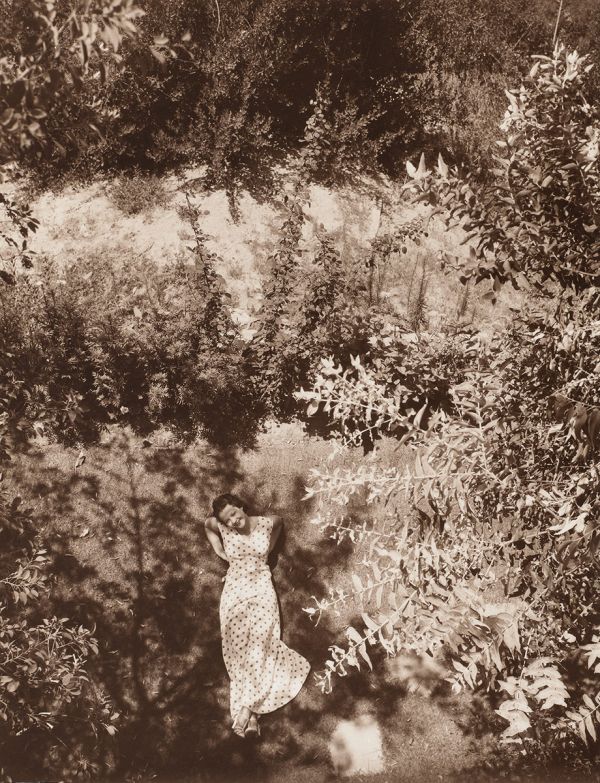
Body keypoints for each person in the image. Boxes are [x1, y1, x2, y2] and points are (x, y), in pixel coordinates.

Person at [204, 493, 310, 738]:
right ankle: (252, 717)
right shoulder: (221, 526)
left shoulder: (265, 522)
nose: (232, 521)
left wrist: (270, 548)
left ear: (241, 507)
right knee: (237, 647)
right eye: (226, 520)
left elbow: (280, 521)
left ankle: (246, 711)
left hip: (261, 585)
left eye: (233, 513)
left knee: (262, 643)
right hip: (234, 589)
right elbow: (207, 525)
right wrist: (219, 551)